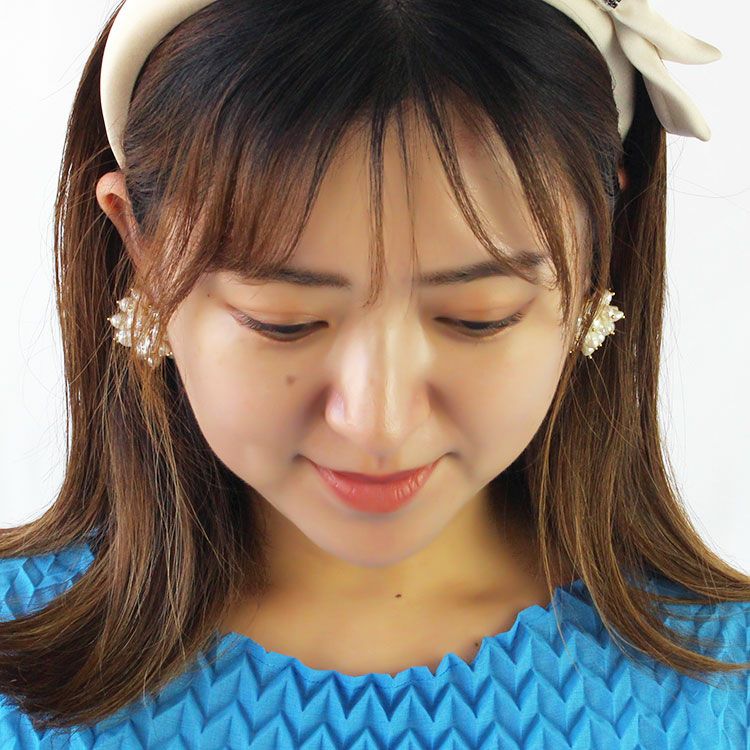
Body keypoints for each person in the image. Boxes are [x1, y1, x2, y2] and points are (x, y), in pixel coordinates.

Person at [1, 0, 748, 747]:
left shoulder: (725, 675)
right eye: (284, 320)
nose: (380, 422)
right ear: (139, 246)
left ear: (598, 255)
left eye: (478, 317)